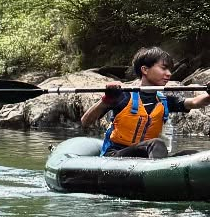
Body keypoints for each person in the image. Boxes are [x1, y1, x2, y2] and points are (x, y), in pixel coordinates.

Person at [79, 46, 210, 158]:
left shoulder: (164, 100)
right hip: (115, 156)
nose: (169, 73)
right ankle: (157, 179)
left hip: (147, 157)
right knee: (156, 143)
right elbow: (85, 122)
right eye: (164, 68)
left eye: (170, 69)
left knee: (192, 153)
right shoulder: (122, 96)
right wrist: (106, 100)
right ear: (145, 70)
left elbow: (195, 102)